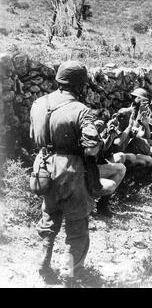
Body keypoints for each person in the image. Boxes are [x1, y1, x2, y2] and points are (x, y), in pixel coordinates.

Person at [29, 61, 102, 283]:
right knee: (77, 225)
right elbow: (91, 148)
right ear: (80, 85)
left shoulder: (38, 103)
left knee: (49, 216)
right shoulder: (82, 111)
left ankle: (43, 266)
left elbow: (33, 136)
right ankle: (71, 274)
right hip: (70, 171)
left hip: (42, 166)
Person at [129, 88, 152, 182]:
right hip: (131, 144)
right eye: (143, 100)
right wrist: (139, 115)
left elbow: (147, 134)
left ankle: (149, 180)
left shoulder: (145, 112)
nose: (145, 104)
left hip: (142, 141)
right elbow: (134, 132)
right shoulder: (130, 112)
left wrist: (148, 125)